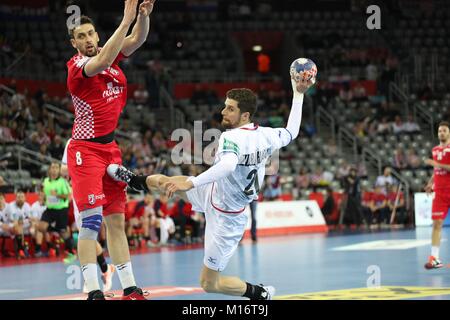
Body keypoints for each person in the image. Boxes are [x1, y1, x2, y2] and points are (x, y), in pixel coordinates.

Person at [108, 76, 315, 300]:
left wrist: (192, 181)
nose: (223, 112)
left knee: (209, 283)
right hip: (213, 191)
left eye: (230, 109)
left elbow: (227, 166)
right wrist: (299, 93)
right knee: (167, 181)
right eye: (225, 106)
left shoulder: (231, 137)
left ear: (245, 115)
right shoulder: (268, 135)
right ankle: (132, 180)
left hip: (227, 218)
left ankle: (258, 292)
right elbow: (292, 131)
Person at [65, 0, 155, 300]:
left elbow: (138, 39)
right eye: (82, 36)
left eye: (91, 34)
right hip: (84, 151)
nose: (89, 39)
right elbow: (102, 61)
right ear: (74, 43)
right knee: (91, 223)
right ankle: (93, 291)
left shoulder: (112, 58)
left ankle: (129, 286)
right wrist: (126, 17)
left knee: (117, 221)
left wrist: (142, 17)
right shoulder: (77, 68)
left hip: (110, 150)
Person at [423, 121, 450, 269]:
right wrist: (430, 183)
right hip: (439, 192)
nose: (441, 133)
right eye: (440, 131)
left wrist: (437, 164)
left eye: (444, 131)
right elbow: (436, 171)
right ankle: (435, 258)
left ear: (449, 133)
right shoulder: (434, 150)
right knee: (437, 224)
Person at [38, 162, 74, 261]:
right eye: (52, 167)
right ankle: (58, 230)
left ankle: (71, 251)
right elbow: (45, 194)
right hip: (50, 210)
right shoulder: (45, 181)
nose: (54, 170)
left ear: (59, 170)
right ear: (49, 170)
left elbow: (68, 196)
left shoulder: (62, 182)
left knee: (64, 233)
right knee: (41, 227)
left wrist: (57, 195)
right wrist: (43, 199)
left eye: (56, 168)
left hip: (61, 210)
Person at [2, 190, 32, 259]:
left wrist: (28, 221)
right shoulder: (11, 206)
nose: (20, 199)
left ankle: (24, 250)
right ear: (15, 198)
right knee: (18, 228)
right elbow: (14, 221)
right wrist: (25, 221)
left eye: (22, 197)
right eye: (18, 197)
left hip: (21, 225)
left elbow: (30, 218)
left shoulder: (27, 205)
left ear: (25, 198)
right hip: (8, 226)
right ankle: (21, 249)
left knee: (35, 226)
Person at [30, 191, 47, 257]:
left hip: (46, 225)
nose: (40, 197)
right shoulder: (34, 205)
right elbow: (35, 219)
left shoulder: (48, 205)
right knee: (39, 231)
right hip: (37, 226)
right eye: (39, 195)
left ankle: (51, 248)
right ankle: (38, 251)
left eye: (42, 196)